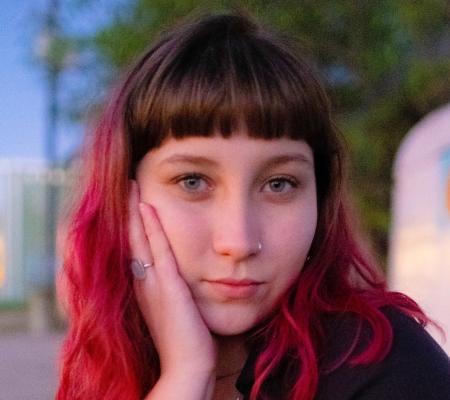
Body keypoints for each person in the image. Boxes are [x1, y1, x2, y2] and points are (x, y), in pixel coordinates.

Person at [56, 12, 450, 400]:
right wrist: (185, 376)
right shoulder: (107, 365)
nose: (239, 241)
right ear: (122, 199)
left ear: (320, 197)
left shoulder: (379, 365)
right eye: (193, 181)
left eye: (279, 184)